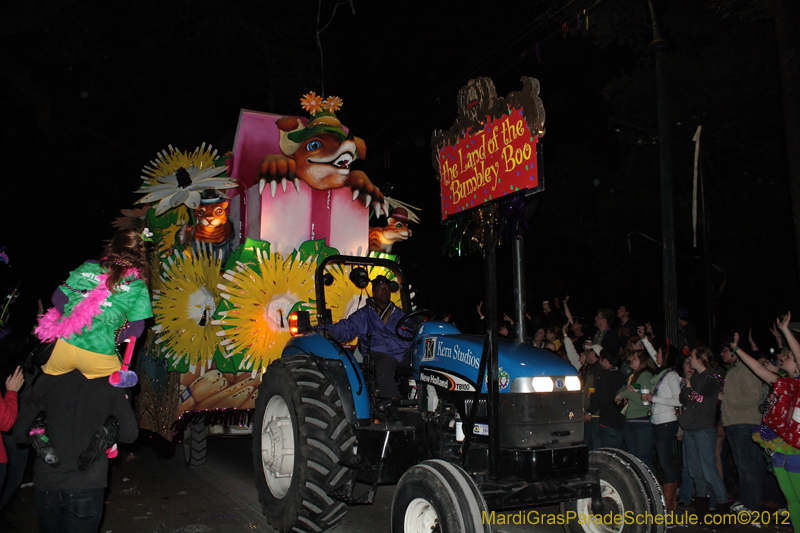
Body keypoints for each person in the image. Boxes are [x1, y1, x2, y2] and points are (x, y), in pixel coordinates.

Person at [13, 369, 138, 533]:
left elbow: (19, 434)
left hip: (49, 479)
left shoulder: (46, 379)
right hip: (87, 481)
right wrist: (110, 428)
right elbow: (130, 434)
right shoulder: (109, 382)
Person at [35, 227, 152, 380]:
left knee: (44, 384)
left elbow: (58, 297)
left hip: (64, 346)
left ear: (112, 246)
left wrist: (75, 319)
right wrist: (114, 337)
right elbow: (136, 328)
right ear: (140, 254)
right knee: (119, 391)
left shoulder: (88, 266)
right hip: (99, 352)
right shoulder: (137, 285)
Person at [730, 316, 800, 531]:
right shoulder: (783, 383)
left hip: (796, 447)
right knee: (790, 498)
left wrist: (786, 330)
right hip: (779, 444)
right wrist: (737, 350)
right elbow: (759, 371)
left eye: (787, 355)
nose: (781, 357)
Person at [319, 275, 412, 402]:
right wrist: (326, 331)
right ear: (373, 292)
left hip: (400, 353)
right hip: (378, 354)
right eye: (380, 288)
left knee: (420, 357)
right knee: (384, 360)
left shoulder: (401, 315)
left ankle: (428, 397)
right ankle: (390, 401)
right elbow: (346, 328)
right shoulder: (363, 315)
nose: (384, 290)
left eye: (386, 288)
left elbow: (411, 336)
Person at [719, 337, 768, 516]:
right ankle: (747, 500)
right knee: (742, 466)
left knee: (749, 467)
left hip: (745, 423)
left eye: (725, 351)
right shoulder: (732, 371)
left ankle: (753, 505)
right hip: (734, 423)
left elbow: (753, 397)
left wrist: (725, 398)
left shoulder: (746, 370)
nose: (722, 355)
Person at [680, 346, 730, 516]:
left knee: (709, 472)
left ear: (700, 358)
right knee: (696, 472)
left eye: (692, 357)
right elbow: (683, 399)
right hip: (690, 429)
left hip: (703, 430)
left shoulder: (712, 375)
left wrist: (691, 380)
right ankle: (702, 510)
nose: (690, 360)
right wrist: (687, 383)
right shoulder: (696, 378)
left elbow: (704, 388)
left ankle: (723, 510)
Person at [640, 331, 682, 512]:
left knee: (666, 462)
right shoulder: (662, 373)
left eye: (659, 353)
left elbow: (678, 401)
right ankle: (667, 499)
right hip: (657, 422)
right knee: (662, 461)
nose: (656, 356)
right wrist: (644, 340)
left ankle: (670, 503)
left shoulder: (671, 376)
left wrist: (653, 399)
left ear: (666, 356)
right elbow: (653, 355)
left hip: (666, 422)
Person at [616, 350, 656, 471]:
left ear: (642, 361)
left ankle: (651, 485)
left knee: (643, 458)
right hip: (631, 420)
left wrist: (626, 393)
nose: (630, 360)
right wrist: (625, 391)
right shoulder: (632, 377)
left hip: (641, 421)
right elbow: (620, 392)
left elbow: (644, 401)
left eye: (634, 358)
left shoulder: (645, 376)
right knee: (634, 458)